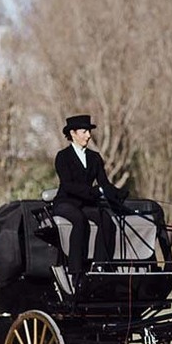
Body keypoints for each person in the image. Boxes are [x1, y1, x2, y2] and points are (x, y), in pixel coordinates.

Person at [53, 114, 126, 280]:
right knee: (79, 221)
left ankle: (100, 266)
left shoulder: (95, 157)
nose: (88, 135)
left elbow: (104, 183)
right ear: (73, 133)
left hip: (85, 204)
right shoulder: (62, 157)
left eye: (88, 131)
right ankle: (75, 270)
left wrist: (117, 194)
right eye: (84, 131)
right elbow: (68, 185)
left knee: (106, 220)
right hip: (65, 202)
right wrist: (93, 191)